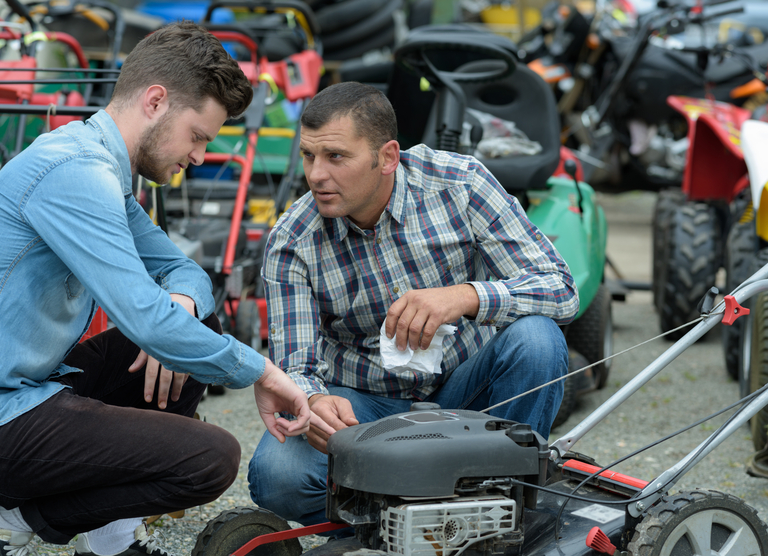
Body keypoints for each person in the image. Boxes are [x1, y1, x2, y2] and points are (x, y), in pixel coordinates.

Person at [0, 22, 320, 556]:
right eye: (197, 136)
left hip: (27, 392)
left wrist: (176, 315)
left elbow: (189, 276)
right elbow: (146, 318)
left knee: (188, 341)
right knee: (212, 458)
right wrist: (261, 372)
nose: (199, 157)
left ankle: (109, 553)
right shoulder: (74, 174)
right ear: (155, 101)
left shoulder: (104, 171)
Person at [248, 82, 578, 526]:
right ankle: (393, 527)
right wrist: (315, 401)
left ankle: (506, 502)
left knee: (537, 341)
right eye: (309, 156)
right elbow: (295, 366)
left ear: (387, 157)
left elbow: (561, 290)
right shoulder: (292, 241)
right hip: (363, 407)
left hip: (466, 390)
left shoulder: (461, 183)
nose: (316, 175)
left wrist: (466, 296)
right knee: (277, 476)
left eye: (336, 157)